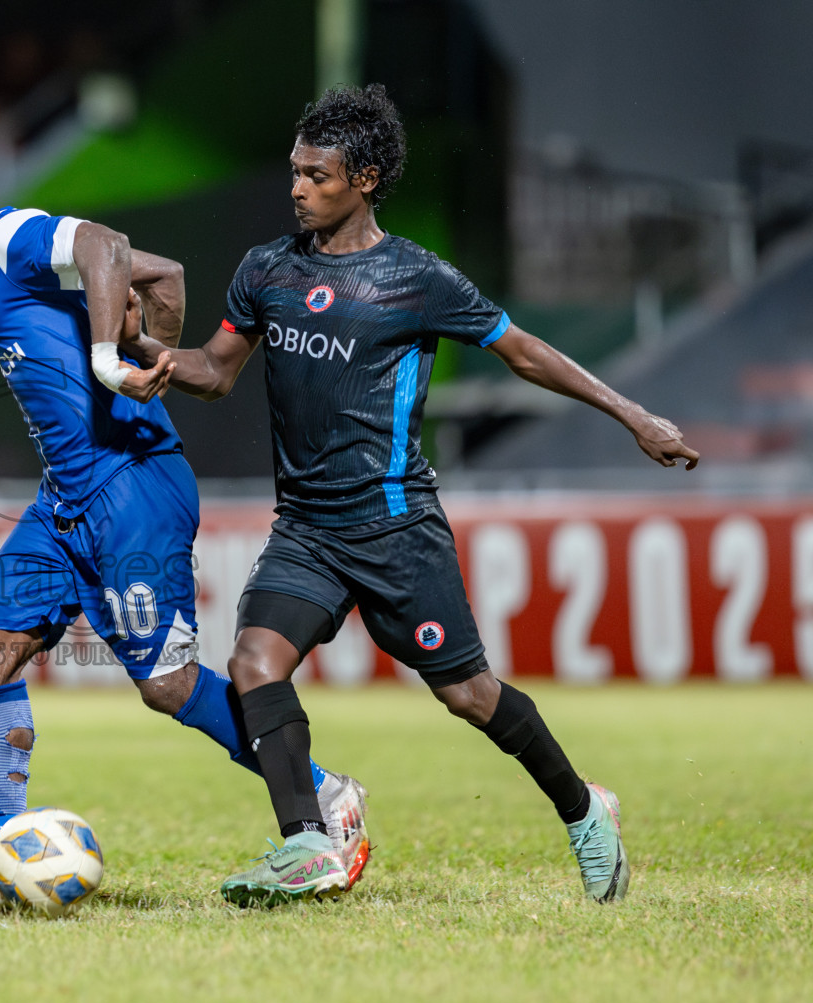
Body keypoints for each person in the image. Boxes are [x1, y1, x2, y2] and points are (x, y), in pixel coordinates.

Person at [119, 85, 700, 906]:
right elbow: (215, 372)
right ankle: (307, 846)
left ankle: (583, 810)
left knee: (469, 695)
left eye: (315, 176)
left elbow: (525, 353)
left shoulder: (416, 279)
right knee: (253, 662)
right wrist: (149, 351)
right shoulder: (266, 269)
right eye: (293, 171)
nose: (295, 188)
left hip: (396, 528)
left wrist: (634, 415)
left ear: (365, 177)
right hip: (309, 532)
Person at [0, 135, 371, 913]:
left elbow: (106, 244)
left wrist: (116, 361)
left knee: (168, 685)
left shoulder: (10, 236)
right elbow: (162, 274)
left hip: (131, 490)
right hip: (66, 499)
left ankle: (328, 793)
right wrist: (157, 359)